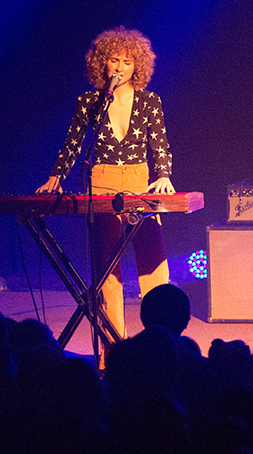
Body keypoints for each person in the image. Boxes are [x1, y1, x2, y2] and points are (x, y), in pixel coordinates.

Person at [36, 26, 173, 342]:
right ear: (103, 63)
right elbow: (73, 143)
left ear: (137, 64)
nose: (121, 67)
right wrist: (56, 176)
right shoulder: (88, 101)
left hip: (140, 181)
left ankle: (161, 340)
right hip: (102, 180)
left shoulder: (150, 101)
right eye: (115, 60)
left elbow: (160, 144)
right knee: (108, 272)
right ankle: (114, 347)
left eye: (128, 61)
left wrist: (163, 174)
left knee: (155, 266)